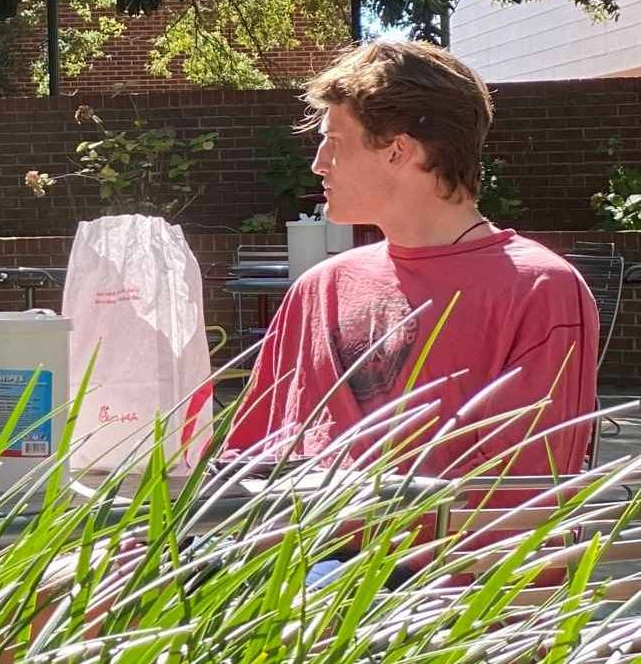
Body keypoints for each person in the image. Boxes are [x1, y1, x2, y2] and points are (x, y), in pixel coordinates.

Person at [224, 40, 598, 480]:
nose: (319, 164)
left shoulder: (539, 289)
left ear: (398, 150)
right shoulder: (319, 287)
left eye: (334, 142)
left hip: (439, 550)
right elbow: (248, 458)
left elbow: (522, 496)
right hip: (289, 546)